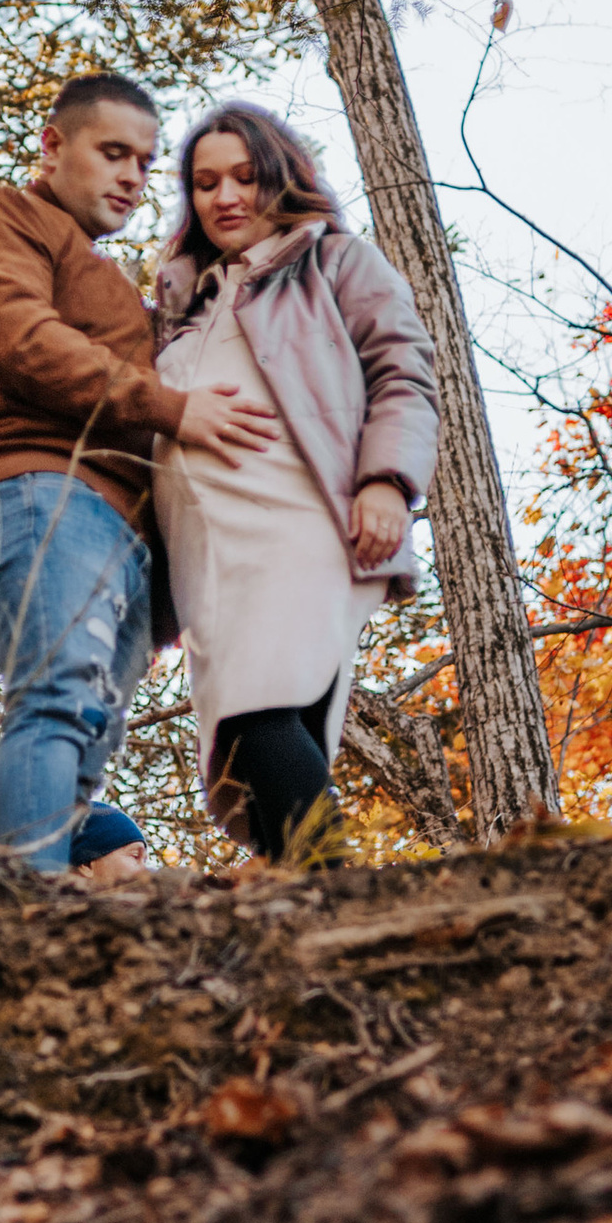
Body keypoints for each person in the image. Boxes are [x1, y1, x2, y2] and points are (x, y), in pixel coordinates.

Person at [0, 74, 274, 872]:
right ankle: (23, 921)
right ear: (53, 147)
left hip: (123, 536)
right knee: (55, 701)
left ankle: (43, 915)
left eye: (147, 163)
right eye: (113, 152)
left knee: (86, 736)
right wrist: (173, 406)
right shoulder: (7, 217)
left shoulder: (113, 285)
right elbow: (20, 340)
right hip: (43, 494)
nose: (131, 176)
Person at [152, 101, 439, 865]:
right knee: (259, 739)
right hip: (206, 558)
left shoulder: (337, 261)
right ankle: (309, 906)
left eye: (245, 177)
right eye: (206, 183)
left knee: (261, 707)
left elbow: (404, 373)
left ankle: (332, 887)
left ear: (282, 179)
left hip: (297, 523)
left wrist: (386, 482)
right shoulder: (184, 303)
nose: (225, 197)